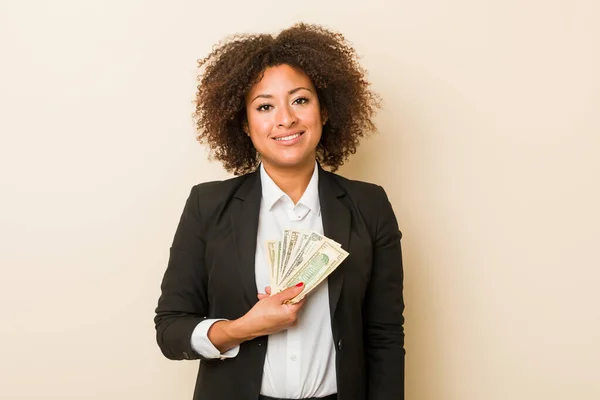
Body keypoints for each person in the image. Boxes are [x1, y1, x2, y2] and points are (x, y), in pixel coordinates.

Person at [154, 23, 405, 400]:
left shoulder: (369, 205)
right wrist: (242, 328)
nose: (285, 119)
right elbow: (170, 331)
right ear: (244, 123)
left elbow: (384, 336)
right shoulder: (207, 206)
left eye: (300, 100)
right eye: (265, 106)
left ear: (325, 110)